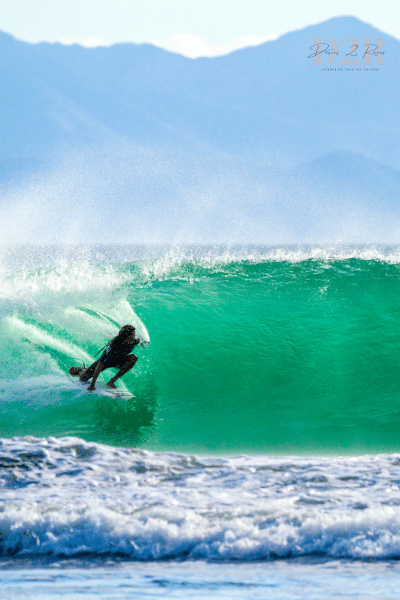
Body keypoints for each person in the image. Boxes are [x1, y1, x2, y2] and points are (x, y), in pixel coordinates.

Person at [69, 324, 143, 391]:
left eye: (134, 335)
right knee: (83, 378)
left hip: (119, 361)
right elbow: (100, 365)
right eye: (132, 335)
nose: (134, 337)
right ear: (125, 337)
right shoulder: (114, 346)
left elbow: (139, 342)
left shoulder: (135, 341)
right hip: (106, 362)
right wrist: (92, 385)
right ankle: (81, 370)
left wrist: (143, 343)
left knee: (134, 357)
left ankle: (111, 381)